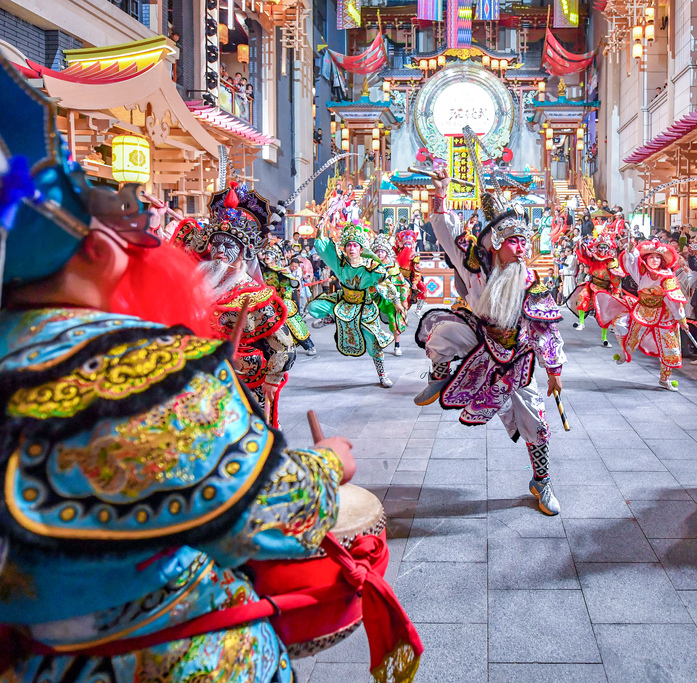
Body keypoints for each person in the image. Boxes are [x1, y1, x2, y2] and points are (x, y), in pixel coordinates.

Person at [0, 60, 403, 681]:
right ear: (101, 250)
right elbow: (264, 507)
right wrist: (330, 466)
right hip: (163, 658)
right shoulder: (141, 367)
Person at [414, 169, 566, 516]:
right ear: (495, 244)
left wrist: (554, 370)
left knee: (536, 425)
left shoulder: (530, 281)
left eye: (523, 241)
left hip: (517, 360)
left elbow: (547, 331)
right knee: (444, 332)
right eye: (514, 241)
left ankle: (541, 481)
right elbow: (447, 233)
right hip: (480, 342)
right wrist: (440, 195)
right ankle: (438, 376)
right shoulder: (475, 270)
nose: (522, 247)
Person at [172, 183, 295, 429]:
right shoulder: (197, 287)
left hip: (244, 383)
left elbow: (283, 344)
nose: (220, 252)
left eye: (228, 246)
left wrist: (273, 379)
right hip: (199, 379)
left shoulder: (255, 295)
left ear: (242, 254)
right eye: (216, 244)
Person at [309, 221, 400, 387]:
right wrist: (320, 231)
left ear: (361, 248)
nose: (351, 248)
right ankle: (330, 317)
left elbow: (386, 283)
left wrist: (397, 301)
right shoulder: (340, 263)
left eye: (355, 245)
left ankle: (382, 374)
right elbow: (324, 249)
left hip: (365, 307)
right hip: (343, 301)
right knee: (313, 307)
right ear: (344, 247)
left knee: (374, 342)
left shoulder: (370, 266)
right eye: (349, 245)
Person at [595, 236, 687, 390]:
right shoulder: (642, 273)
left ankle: (665, 378)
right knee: (621, 325)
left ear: (663, 261)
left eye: (658, 257)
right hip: (642, 310)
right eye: (651, 257)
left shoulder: (668, 277)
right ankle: (626, 352)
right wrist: (631, 250)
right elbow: (632, 263)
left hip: (664, 314)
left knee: (669, 347)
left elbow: (673, 301)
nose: (654, 260)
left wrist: (681, 319)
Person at [569, 232, 628, 347]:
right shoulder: (594, 259)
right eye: (600, 247)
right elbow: (584, 256)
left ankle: (605, 338)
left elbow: (615, 282)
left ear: (609, 249)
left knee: (603, 315)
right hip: (592, 285)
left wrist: (615, 296)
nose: (602, 250)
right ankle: (581, 322)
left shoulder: (611, 263)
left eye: (605, 247)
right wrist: (581, 245)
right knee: (582, 297)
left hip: (604, 290)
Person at [260, 242, 317, 356]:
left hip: (281, 301)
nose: (267, 256)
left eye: (271, 254)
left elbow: (286, 288)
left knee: (294, 324)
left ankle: (309, 345)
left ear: (276, 257)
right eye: (266, 253)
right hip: (266, 302)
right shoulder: (261, 270)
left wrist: (284, 301)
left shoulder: (281, 271)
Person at [370, 232, 410, 356]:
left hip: (392, 299)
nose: (380, 254)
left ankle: (397, 345)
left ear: (387, 252)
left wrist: (403, 300)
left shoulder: (393, 267)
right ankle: (378, 343)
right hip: (375, 298)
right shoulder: (370, 266)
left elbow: (402, 284)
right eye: (378, 251)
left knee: (394, 319)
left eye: (382, 251)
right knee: (371, 320)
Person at [395, 227, 427, 314]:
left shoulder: (414, 256)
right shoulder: (398, 252)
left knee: (423, 289)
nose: (407, 247)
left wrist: (415, 283)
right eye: (405, 245)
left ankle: (418, 310)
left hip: (408, 278)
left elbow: (417, 271)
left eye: (409, 245)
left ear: (412, 245)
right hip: (395, 277)